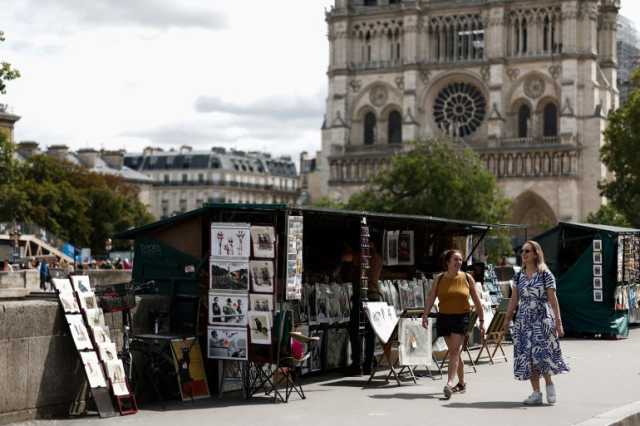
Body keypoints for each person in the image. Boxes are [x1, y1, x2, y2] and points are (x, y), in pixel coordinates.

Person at [503, 240, 569, 405]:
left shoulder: (545, 274)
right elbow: (514, 299)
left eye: (527, 251)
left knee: (542, 354)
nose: (523, 254)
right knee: (528, 357)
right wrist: (507, 318)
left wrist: (558, 323)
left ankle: (549, 385)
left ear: (535, 254)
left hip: (542, 318)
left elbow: (553, 300)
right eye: (522, 251)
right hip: (524, 320)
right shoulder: (518, 276)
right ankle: (536, 393)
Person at [422, 249, 485, 400]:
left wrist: (482, 321)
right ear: (448, 262)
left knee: (454, 351)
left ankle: (449, 383)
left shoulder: (467, 278)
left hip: (461, 318)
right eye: (455, 260)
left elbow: (476, 301)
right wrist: (425, 314)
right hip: (444, 317)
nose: (459, 262)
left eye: (460, 260)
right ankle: (462, 383)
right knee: (454, 352)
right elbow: (431, 297)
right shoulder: (440, 278)